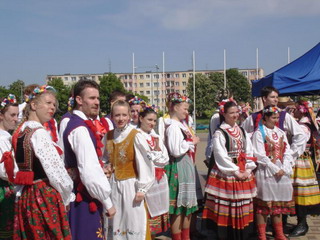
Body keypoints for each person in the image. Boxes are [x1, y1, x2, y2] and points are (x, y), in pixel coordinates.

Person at [12, 85, 74, 239]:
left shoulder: (21, 132)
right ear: (33, 105)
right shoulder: (39, 133)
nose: (52, 107)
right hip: (44, 196)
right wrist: (67, 196)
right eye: (48, 103)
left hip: (27, 196)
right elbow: (56, 171)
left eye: (54, 104)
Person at [63, 80, 115, 240]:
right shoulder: (80, 129)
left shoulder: (78, 124)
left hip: (80, 194)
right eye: (92, 98)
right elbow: (88, 170)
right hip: (84, 198)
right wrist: (107, 201)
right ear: (79, 100)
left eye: (98, 98)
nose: (97, 102)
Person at [202, 100, 257, 240]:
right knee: (228, 206)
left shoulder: (242, 130)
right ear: (224, 114)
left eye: (236, 112)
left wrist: (248, 169)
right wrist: (236, 171)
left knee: (242, 205)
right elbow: (220, 155)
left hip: (243, 171)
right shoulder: (220, 133)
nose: (235, 115)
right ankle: (227, 234)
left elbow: (249, 150)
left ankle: (242, 233)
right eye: (231, 113)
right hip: (227, 173)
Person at [105, 100, 153, 240]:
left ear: (129, 116)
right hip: (113, 185)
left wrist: (142, 189)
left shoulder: (135, 135)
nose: (120, 119)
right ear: (112, 116)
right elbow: (105, 157)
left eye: (124, 115)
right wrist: (106, 166)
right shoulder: (108, 135)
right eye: (117, 115)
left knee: (133, 221)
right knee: (116, 221)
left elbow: (145, 163)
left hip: (130, 186)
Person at [252, 106, 295, 240]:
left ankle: (279, 232)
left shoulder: (281, 132)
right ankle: (262, 235)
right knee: (264, 205)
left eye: (277, 117)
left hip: (281, 171)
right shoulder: (259, 133)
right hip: (266, 171)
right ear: (265, 117)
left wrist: (285, 167)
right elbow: (258, 154)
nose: (276, 120)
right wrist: (275, 169)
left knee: (278, 204)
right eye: (273, 117)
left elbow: (287, 151)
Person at [163, 93, 199, 240]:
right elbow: (175, 150)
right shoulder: (172, 126)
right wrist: (192, 142)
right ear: (176, 107)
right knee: (178, 207)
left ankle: (186, 236)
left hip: (186, 165)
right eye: (184, 108)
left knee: (187, 207)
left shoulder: (181, 125)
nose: (186, 112)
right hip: (178, 167)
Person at [242, 86, 306, 164]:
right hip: (260, 164)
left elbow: (301, 135)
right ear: (264, 98)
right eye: (272, 97)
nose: (276, 99)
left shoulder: (284, 116)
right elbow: (242, 135)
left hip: (280, 162)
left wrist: (290, 154)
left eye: (277, 97)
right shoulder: (253, 117)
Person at [135, 105, 170, 239]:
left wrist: (154, 155)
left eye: (154, 121)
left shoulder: (156, 137)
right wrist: (156, 154)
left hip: (160, 179)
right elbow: (146, 159)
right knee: (146, 214)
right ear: (141, 118)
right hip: (147, 180)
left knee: (158, 213)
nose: (152, 123)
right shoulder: (137, 136)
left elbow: (165, 159)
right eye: (149, 120)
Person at [289, 101, 320, 237]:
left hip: (300, 161)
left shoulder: (303, 127)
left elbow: (299, 144)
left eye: (295, 109)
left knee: (300, 192)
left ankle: (302, 223)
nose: (293, 111)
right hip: (300, 160)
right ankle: (300, 222)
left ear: (301, 111)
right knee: (296, 192)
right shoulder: (304, 124)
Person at [0, 94, 19, 240]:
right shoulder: (1, 139)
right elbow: (4, 171)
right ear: (1, 116)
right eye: (12, 115)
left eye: (17, 115)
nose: (16, 119)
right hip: (4, 190)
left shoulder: (7, 137)